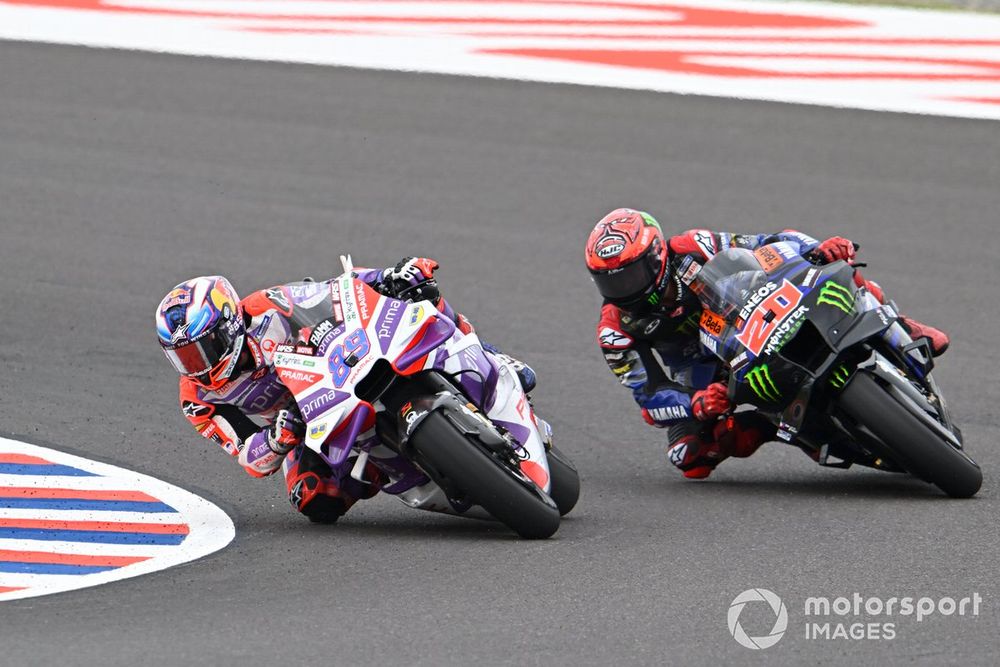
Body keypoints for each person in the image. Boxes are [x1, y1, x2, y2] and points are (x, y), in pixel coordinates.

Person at [155, 258, 535, 523]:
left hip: (335, 368)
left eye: (202, 350)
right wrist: (277, 437)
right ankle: (386, 467)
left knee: (419, 293)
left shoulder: (266, 307)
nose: (197, 366)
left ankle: (490, 355)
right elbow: (248, 457)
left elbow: (337, 290)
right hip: (300, 421)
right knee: (313, 499)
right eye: (183, 358)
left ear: (230, 323)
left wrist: (390, 275)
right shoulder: (198, 399)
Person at [584, 208, 949, 479]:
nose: (622, 290)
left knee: (837, 272)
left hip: (743, 317)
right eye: (609, 282)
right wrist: (694, 403)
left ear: (655, 256)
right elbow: (648, 397)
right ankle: (776, 426)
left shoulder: (692, 245)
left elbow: (766, 245)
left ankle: (900, 324)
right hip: (702, 372)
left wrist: (817, 250)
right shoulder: (614, 330)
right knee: (688, 459)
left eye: (629, 275)